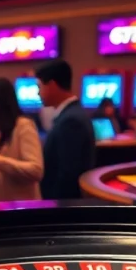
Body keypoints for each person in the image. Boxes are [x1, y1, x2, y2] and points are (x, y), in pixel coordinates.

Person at [35, 60, 95, 199]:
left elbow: (68, 175)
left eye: (39, 87)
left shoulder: (70, 120)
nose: (38, 93)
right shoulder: (72, 114)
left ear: (52, 85)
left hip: (62, 206)